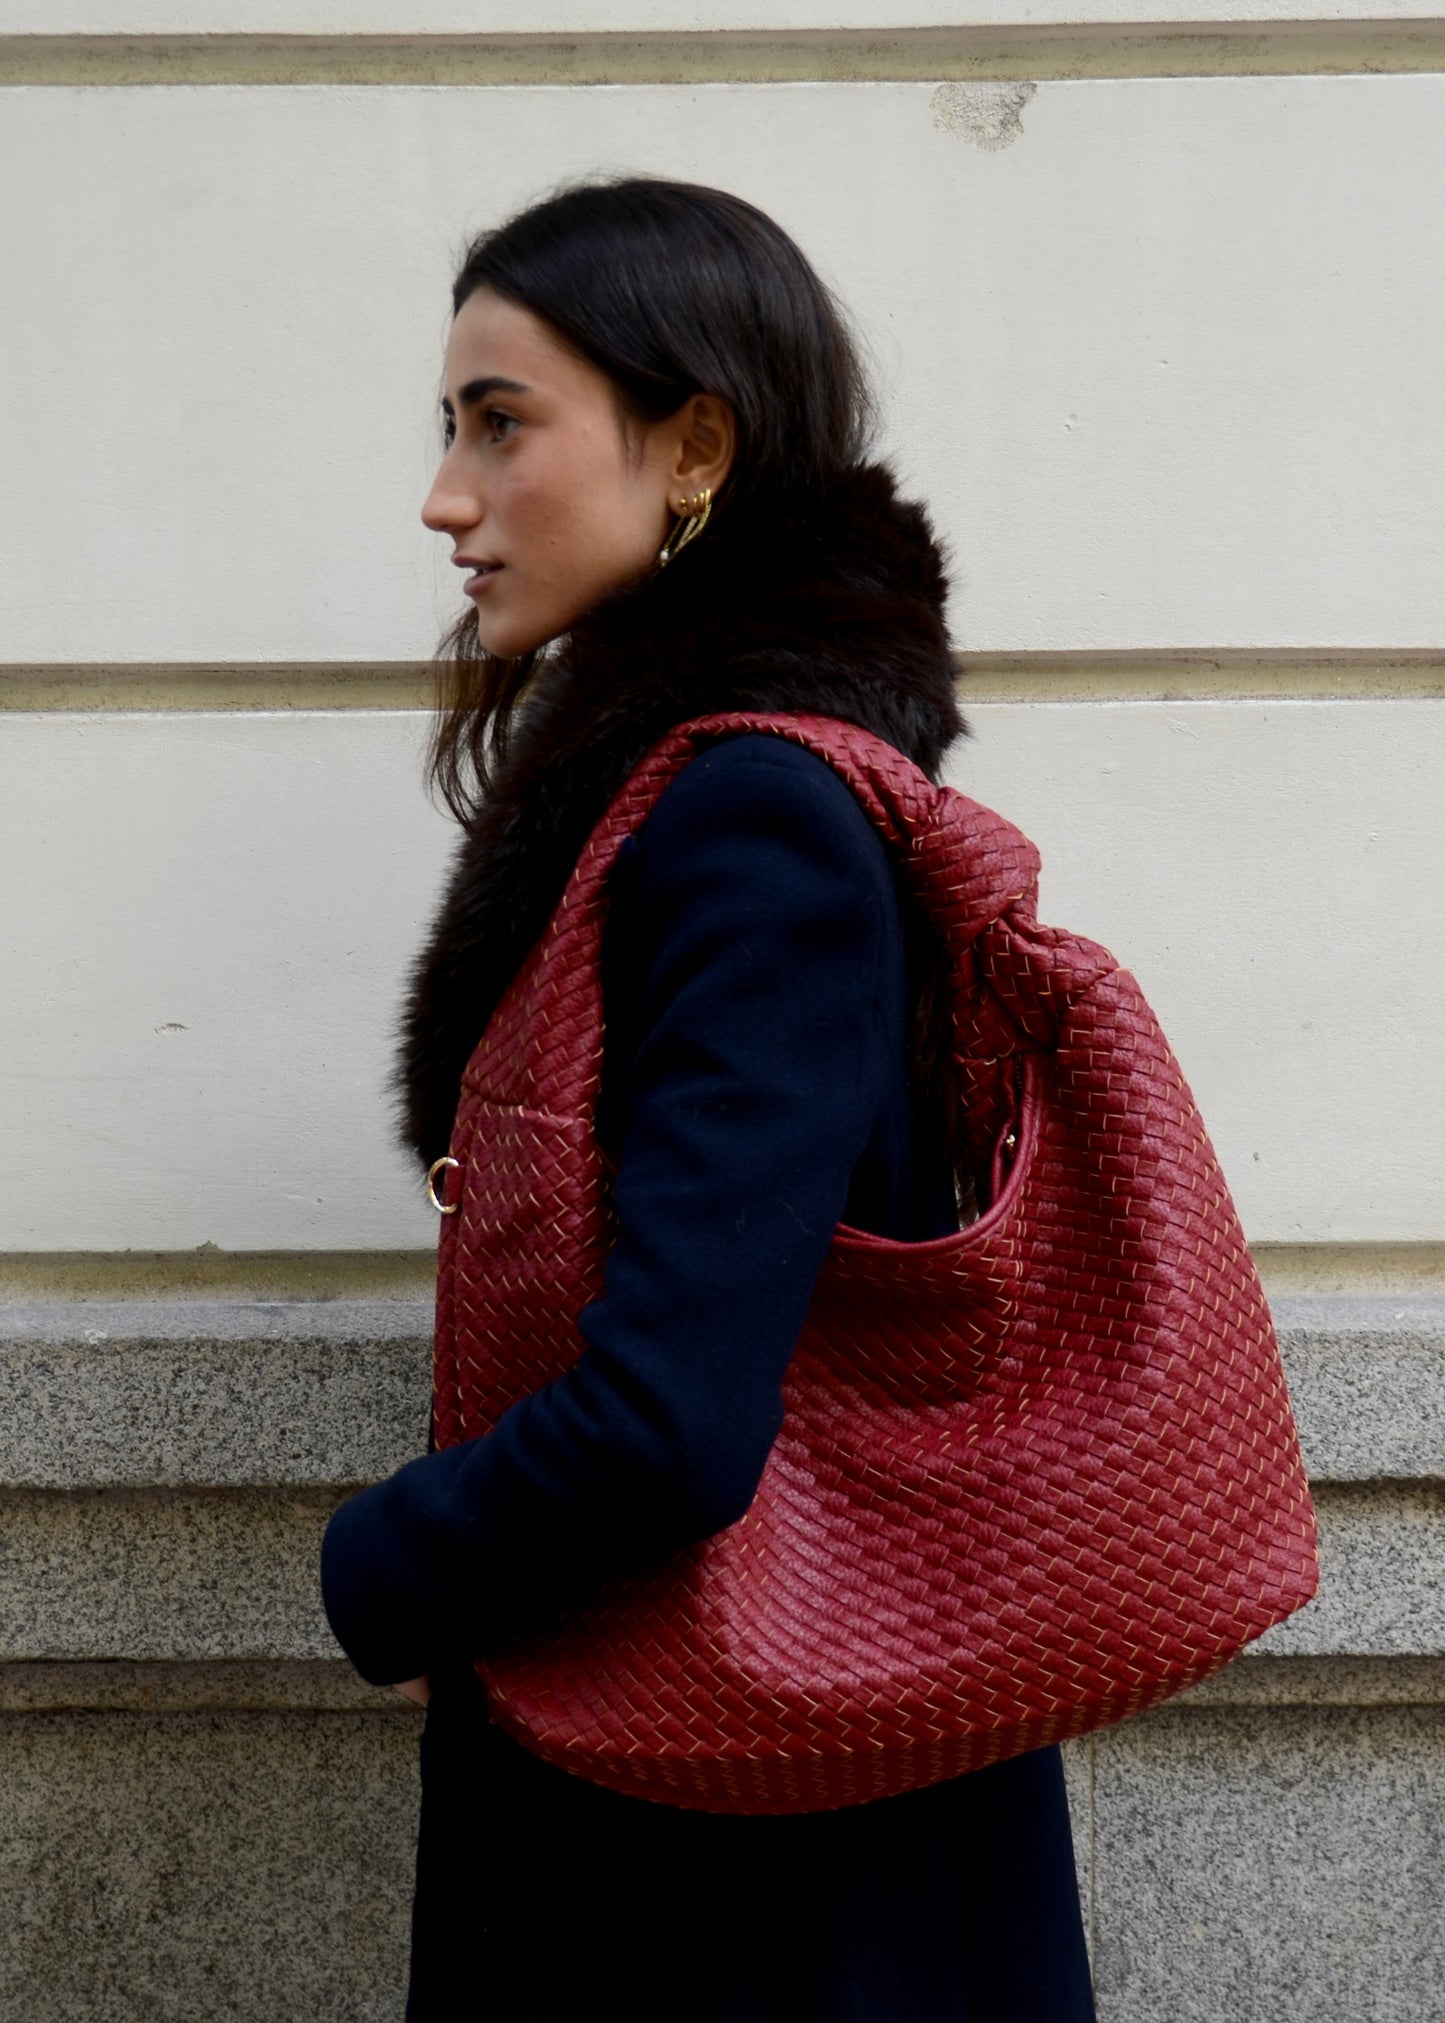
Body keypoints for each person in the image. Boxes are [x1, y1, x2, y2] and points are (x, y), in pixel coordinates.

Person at [321, 174, 1097, 2022]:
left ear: (693, 448)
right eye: (448, 428)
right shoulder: (699, 802)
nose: (447, 497)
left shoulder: (745, 823)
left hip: (743, 1857)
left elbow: (674, 1419)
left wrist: (392, 1560)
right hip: (759, 1807)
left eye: (500, 424)